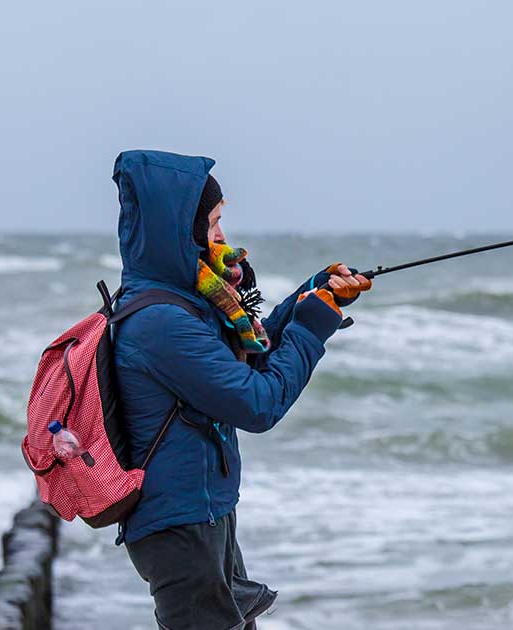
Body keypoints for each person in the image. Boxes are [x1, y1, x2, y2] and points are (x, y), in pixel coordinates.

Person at [110, 150, 370, 629]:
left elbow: (249, 355)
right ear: (179, 230)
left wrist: (309, 297)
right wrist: (312, 330)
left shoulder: (185, 301)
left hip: (204, 514)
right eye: (212, 223)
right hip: (181, 527)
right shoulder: (161, 321)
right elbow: (257, 403)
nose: (222, 236)